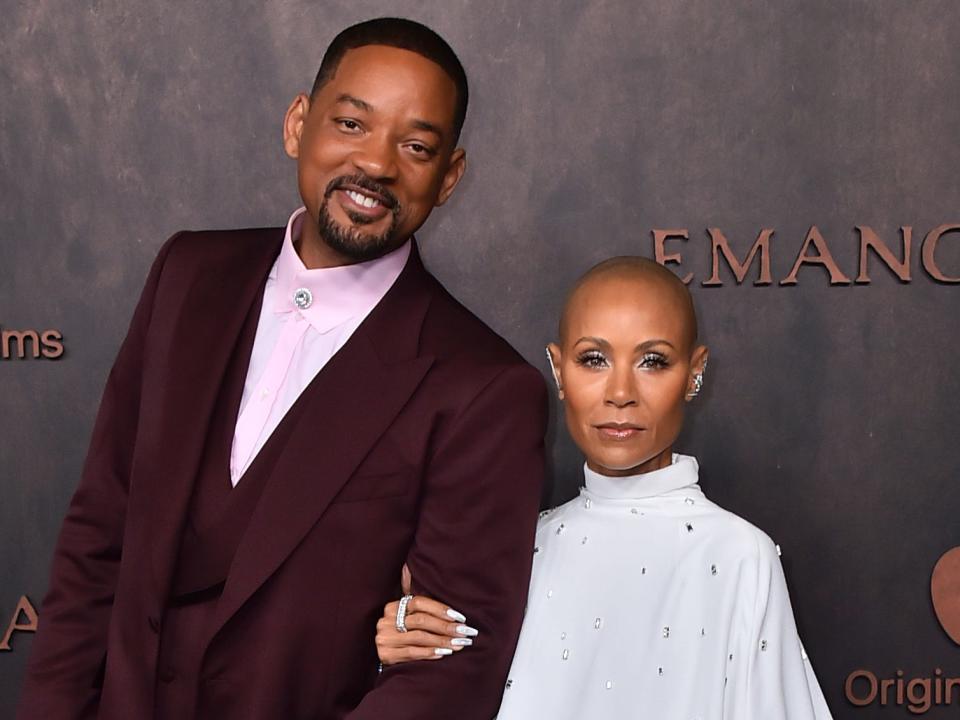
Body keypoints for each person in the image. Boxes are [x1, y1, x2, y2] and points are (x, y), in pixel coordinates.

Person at [18, 18, 546, 720]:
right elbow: (97, 536)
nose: (378, 164)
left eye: (416, 145)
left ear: (448, 176)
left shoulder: (484, 388)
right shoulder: (186, 275)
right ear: (299, 122)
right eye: (352, 124)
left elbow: (446, 675)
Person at [375, 257, 833, 719]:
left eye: (652, 361)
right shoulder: (517, 547)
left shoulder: (739, 555)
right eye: (594, 359)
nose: (620, 392)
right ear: (558, 370)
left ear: (695, 373)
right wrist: (401, 646)